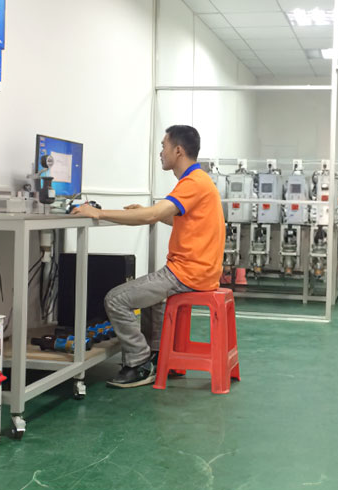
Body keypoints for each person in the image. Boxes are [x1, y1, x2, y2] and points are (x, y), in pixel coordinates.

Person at [70, 125, 225, 388]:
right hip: (201, 271)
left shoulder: (193, 183)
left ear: (178, 150)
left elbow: (153, 215)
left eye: (164, 146)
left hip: (187, 273)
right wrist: (146, 211)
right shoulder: (200, 180)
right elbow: (178, 220)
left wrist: (98, 212)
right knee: (152, 296)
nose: (160, 152)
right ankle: (157, 355)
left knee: (115, 299)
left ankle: (139, 363)